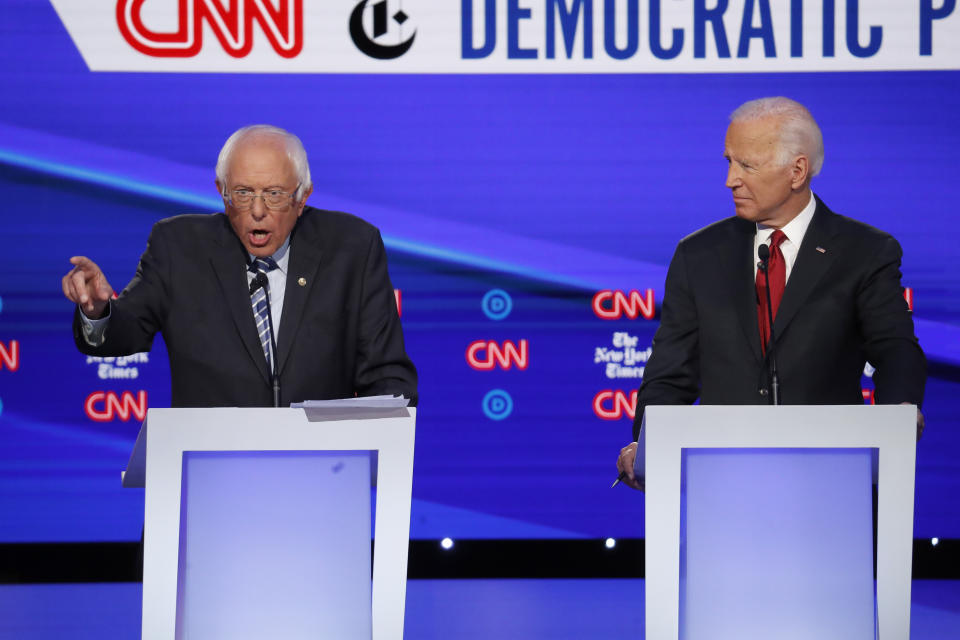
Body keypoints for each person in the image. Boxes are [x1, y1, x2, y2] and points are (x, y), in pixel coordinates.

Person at [615, 97, 925, 489]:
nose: (730, 179)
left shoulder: (864, 252)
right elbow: (669, 376)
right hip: (721, 481)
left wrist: (898, 413)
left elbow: (895, 347)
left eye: (747, 165)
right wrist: (647, 444)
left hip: (831, 479)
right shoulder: (699, 255)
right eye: (728, 161)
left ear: (797, 171)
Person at [62, 124, 417, 408]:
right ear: (222, 192)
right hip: (211, 470)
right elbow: (126, 332)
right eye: (244, 193)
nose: (258, 210)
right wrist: (99, 311)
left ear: (303, 196)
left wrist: (374, 444)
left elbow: (387, 375)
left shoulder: (351, 248)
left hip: (327, 471)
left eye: (274, 194)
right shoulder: (178, 248)